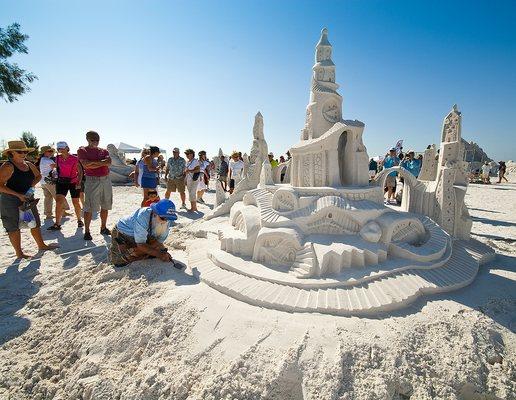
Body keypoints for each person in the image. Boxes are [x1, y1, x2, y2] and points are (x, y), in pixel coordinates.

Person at [0, 141, 59, 259]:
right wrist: (17, 195)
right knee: (13, 226)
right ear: (11, 153)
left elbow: (39, 176)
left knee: (34, 223)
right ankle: (19, 253)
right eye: (20, 151)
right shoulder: (8, 166)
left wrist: (31, 187)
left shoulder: (28, 164)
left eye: (25, 151)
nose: (23, 154)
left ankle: (41, 245)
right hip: (10, 200)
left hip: (27, 197)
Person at [109, 199, 178, 268]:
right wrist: (158, 254)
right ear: (155, 212)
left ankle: (140, 252)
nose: (165, 221)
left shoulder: (166, 220)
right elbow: (141, 244)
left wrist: (145, 251)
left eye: (169, 218)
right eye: (163, 218)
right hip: (123, 232)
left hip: (146, 233)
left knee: (157, 250)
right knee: (120, 262)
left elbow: (159, 241)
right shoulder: (143, 215)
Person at [77, 130, 113, 241]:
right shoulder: (82, 150)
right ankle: (87, 231)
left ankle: (103, 227)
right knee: (89, 206)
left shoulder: (104, 150)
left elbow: (109, 162)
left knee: (106, 204)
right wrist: (101, 162)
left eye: (97, 140)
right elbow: (86, 165)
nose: (96, 142)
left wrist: (94, 163)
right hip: (92, 180)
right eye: (93, 140)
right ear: (87, 139)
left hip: (105, 179)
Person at [47, 142, 84, 230]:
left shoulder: (75, 158)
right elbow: (57, 167)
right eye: (59, 148)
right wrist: (54, 168)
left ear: (67, 148)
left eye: (62, 148)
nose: (60, 150)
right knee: (59, 202)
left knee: (75, 202)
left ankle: (79, 220)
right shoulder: (57, 158)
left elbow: (80, 171)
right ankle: (57, 224)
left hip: (73, 182)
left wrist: (79, 182)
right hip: (61, 182)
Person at [38, 145, 70, 219]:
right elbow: (57, 168)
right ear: (44, 152)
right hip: (50, 181)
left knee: (48, 198)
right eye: (49, 151)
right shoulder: (48, 160)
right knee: (59, 196)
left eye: (51, 151)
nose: (51, 152)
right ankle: (63, 212)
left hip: (43, 181)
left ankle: (48, 214)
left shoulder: (42, 159)